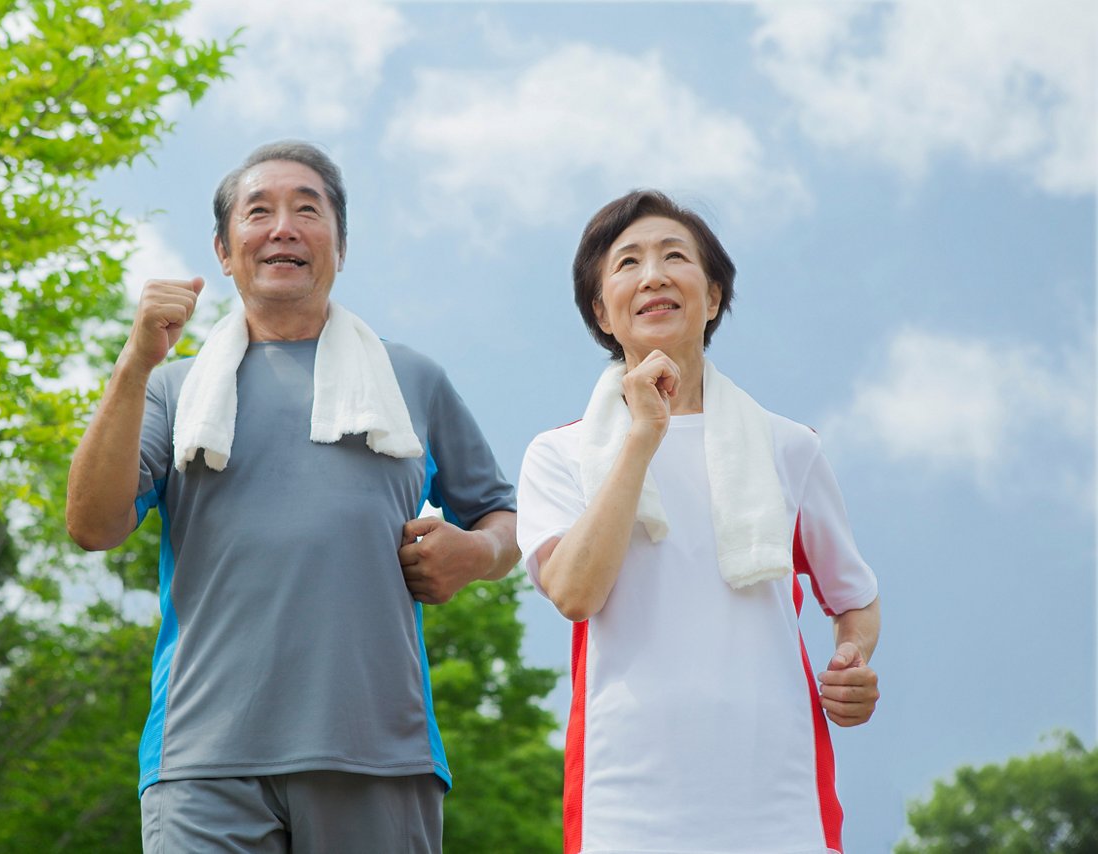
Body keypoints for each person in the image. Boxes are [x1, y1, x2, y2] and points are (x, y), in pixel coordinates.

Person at [65, 140, 519, 853]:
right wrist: (133, 363)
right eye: (259, 212)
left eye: (307, 211)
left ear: (339, 245)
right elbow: (92, 525)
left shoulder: (412, 379)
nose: (283, 227)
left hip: (378, 754)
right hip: (202, 761)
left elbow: (502, 517)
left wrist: (482, 551)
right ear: (224, 249)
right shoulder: (170, 388)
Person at [516, 190, 880, 854]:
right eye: (627, 262)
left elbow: (854, 596)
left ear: (712, 297)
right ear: (602, 312)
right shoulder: (560, 453)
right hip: (625, 797)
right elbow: (573, 592)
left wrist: (852, 659)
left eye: (673, 256)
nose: (652, 274)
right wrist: (640, 439)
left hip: (781, 793)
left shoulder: (788, 446)